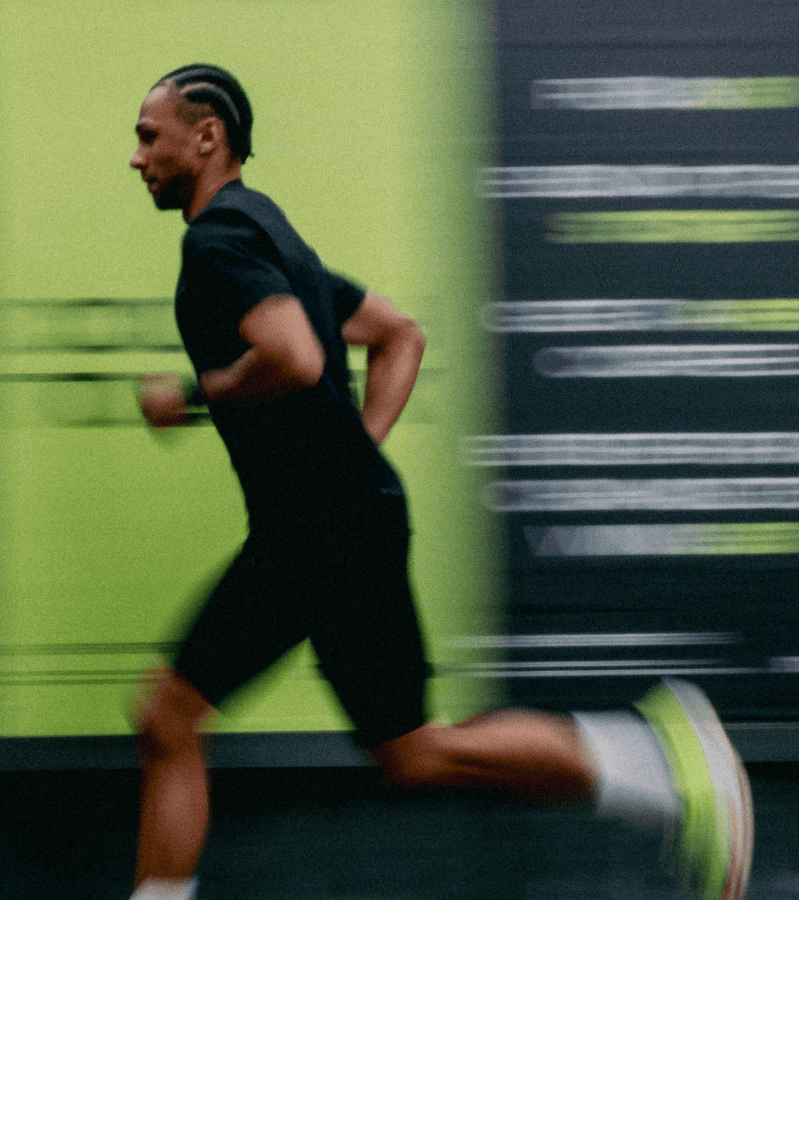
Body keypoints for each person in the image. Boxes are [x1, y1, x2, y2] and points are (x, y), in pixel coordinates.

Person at [126, 64, 752, 900]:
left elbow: (298, 357)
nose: (135, 158)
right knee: (413, 753)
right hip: (333, 522)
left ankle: (662, 768)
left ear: (206, 138)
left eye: (148, 135)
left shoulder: (217, 241)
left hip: (315, 534)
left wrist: (193, 397)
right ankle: (655, 765)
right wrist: (355, 451)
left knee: (167, 717)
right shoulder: (274, 234)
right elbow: (399, 334)